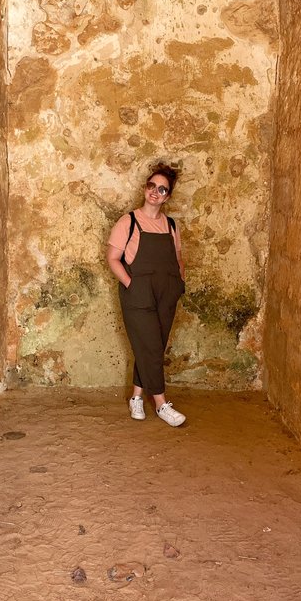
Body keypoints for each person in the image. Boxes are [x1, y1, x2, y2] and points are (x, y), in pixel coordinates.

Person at [106, 162, 187, 426]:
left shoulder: (171, 225)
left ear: (168, 197)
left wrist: (179, 283)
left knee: (153, 345)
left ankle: (137, 397)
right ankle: (162, 403)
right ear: (145, 188)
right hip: (138, 294)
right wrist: (131, 284)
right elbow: (113, 258)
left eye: (162, 189)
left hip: (166, 293)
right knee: (151, 346)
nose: (155, 192)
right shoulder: (128, 221)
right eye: (152, 186)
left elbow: (177, 257)